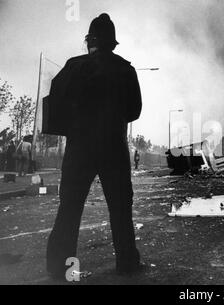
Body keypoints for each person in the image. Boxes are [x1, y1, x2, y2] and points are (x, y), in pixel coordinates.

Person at [46, 13, 143, 279]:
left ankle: (60, 268)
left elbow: (55, 105)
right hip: (113, 148)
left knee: (70, 208)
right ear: (113, 43)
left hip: (80, 149)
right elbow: (134, 111)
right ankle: (126, 264)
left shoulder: (73, 66)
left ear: (90, 40)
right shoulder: (126, 69)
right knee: (121, 209)